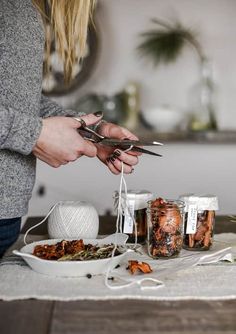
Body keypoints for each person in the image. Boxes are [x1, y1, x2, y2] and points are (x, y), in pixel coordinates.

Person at [0, 0, 140, 257]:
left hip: (8, 213)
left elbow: (18, 99)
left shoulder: (22, 7)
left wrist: (94, 132)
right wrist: (34, 134)